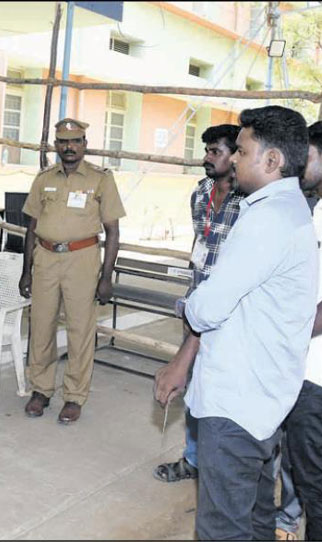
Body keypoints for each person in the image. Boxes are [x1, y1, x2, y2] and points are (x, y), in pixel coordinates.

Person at [155, 105, 316, 541]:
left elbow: (208, 308)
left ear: (271, 161)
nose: (235, 160)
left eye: (242, 151)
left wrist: (189, 306)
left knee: (222, 528)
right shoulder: (293, 210)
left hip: (237, 404)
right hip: (264, 399)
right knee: (255, 518)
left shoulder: (267, 219)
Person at [153, 124, 243, 483]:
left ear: (235, 155)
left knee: (225, 394)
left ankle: (224, 467)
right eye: (206, 150)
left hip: (232, 312)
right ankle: (193, 459)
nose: (207, 157)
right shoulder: (201, 192)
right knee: (193, 387)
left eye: (215, 151)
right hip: (198, 307)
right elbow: (199, 247)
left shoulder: (249, 201)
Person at [19, 118, 125, 424]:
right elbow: (31, 227)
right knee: (41, 327)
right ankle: (41, 389)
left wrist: (106, 277)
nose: (69, 147)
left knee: (80, 331)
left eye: (76, 141)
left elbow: (113, 232)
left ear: (84, 144)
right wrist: (27, 270)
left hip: (82, 259)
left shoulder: (100, 179)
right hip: (46, 258)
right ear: (56, 145)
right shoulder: (44, 178)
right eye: (63, 142)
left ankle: (74, 396)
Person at [282, 120, 322, 542]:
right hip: (306, 364)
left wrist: (283, 332)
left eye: (307, 154)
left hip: (315, 374)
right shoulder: (314, 206)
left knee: (314, 485)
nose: (298, 163)